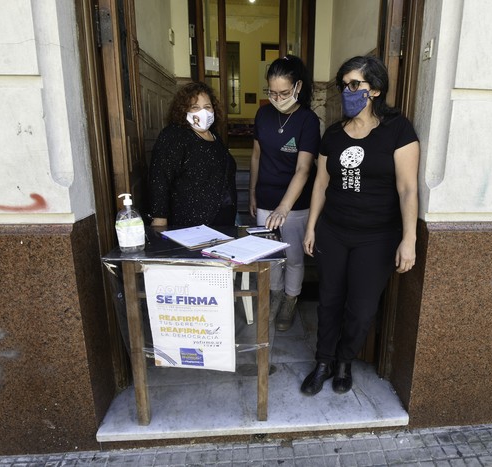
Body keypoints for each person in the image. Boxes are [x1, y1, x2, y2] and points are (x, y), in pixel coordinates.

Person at [301, 55, 420, 396]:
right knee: (329, 301)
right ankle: (323, 362)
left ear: (376, 89)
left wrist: (409, 238)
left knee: (362, 307)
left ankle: (344, 361)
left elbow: (408, 188)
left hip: (378, 237)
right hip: (334, 231)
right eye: (345, 85)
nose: (348, 91)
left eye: (356, 84)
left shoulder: (398, 130)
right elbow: (321, 184)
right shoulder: (335, 134)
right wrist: (311, 228)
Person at [249, 55, 320, 331]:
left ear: (298, 86)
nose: (277, 98)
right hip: (266, 197)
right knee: (270, 256)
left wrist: (283, 208)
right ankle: (275, 296)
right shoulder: (263, 114)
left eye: (284, 92)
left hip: (295, 203)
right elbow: (256, 156)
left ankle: (290, 300)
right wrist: (253, 192)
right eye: (272, 92)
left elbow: (303, 169)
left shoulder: (308, 120)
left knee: (292, 257)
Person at [149, 81, 237, 227]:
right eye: (195, 107)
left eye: (207, 107)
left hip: (223, 219)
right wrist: (159, 218)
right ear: (184, 110)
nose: (203, 112)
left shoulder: (215, 136)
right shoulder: (174, 136)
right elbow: (160, 179)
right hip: (190, 224)